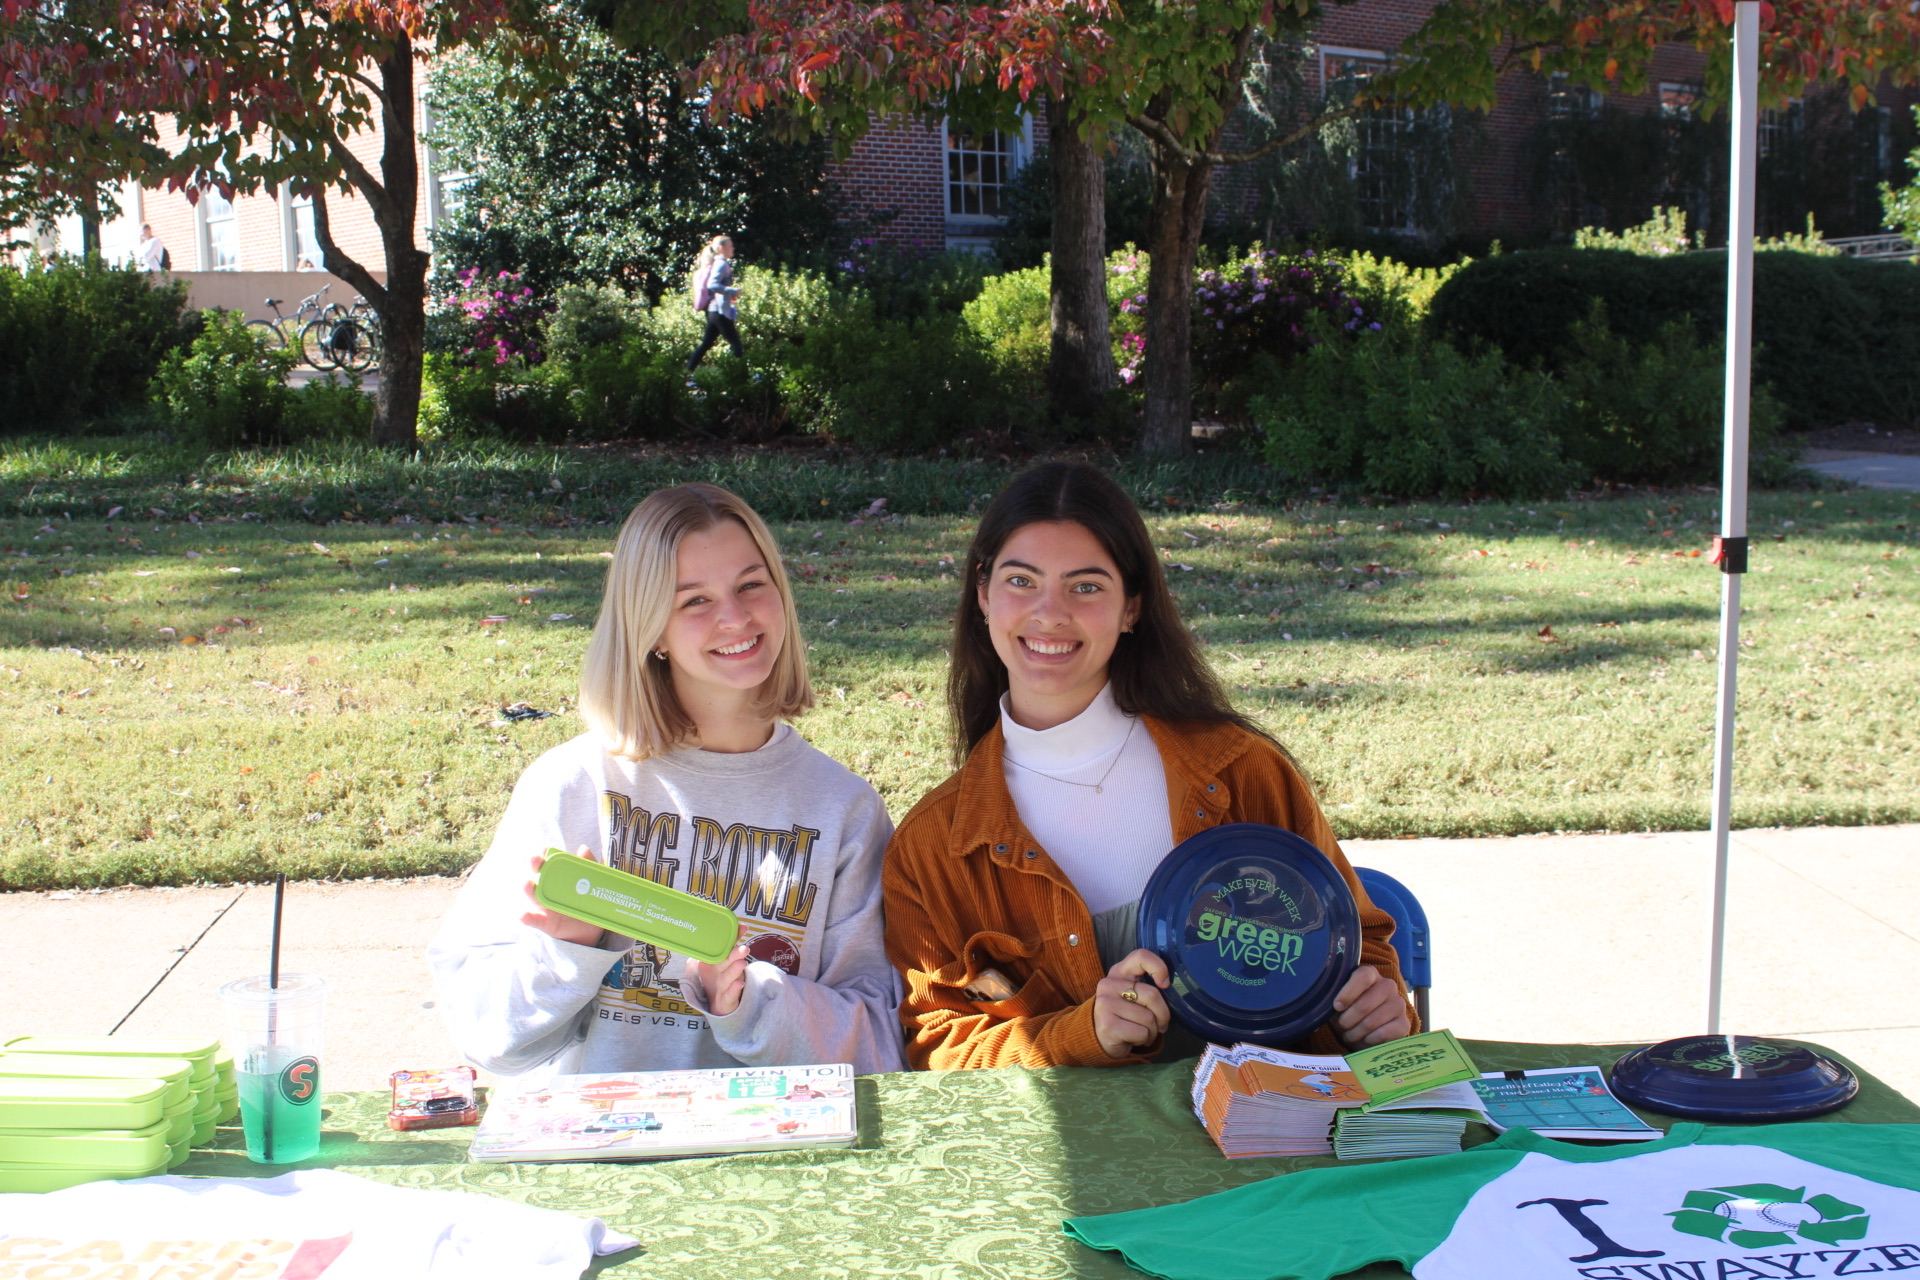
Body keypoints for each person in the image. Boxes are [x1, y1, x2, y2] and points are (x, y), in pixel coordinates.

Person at [882, 461, 1414, 1071]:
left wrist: (1374, 1012)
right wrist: (1081, 1034)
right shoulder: (932, 849)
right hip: (1074, 1165)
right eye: (1022, 581)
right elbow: (936, 1045)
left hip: (1268, 1154)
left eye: (1086, 586)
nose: (1050, 613)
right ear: (982, 594)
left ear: (1132, 607)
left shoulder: (1244, 772)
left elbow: (1358, 948)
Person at [429, 484, 904, 1084]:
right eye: (694, 601)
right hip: (597, 1157)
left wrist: (746, 1002)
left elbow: (880, 1046)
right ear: (649, 627)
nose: (735, 617)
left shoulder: (844, 810)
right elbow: (486, 1038)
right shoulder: (573, 786)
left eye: (751, 585)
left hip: (776, 1161)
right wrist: (567, 953)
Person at [685, 234, 743, 374]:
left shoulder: (718, 263)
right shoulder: (721, 263)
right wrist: (732, 291)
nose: (733, 248)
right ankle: (743, 377)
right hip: (718, 311)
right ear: (721, 247)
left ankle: (687, 373)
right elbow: (713, 285)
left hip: (713, 311)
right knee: (736, 345)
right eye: (730, 246)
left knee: (706, 344)